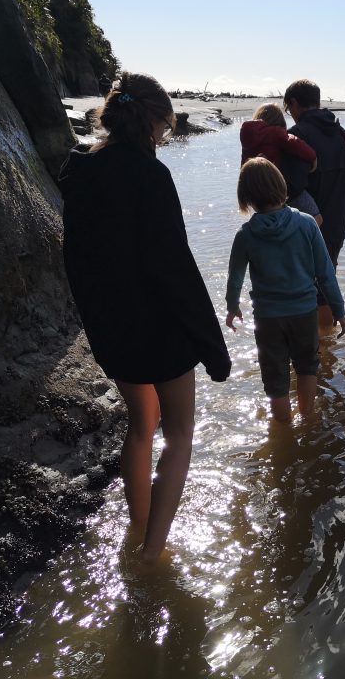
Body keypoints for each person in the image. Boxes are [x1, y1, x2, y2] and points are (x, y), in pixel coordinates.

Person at [58, 71, 231, 563]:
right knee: (178, 436)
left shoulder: (78, 171)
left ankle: (137, 529)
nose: (165, 135)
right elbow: (173, 268)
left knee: (139, 428)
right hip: (160, 329)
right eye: (166, 127)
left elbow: (77, 258)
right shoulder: (151, 177)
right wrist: (212, 349)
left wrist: (96, 322)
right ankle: (153, 553)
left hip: (112, 327)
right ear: (152, 122)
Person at [224, 157, 345, 423]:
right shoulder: (306, 224)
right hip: (304, 312)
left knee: (275, 381)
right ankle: (307, 421)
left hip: (268, 318)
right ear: (281, 186)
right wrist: (338, 309)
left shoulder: (245, 235)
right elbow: (325, 274)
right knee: (307, 370)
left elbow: (235, 278)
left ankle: (284, 433)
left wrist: (232, 307)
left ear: (246, 196)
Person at [283, 79, 345, 329]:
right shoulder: (342, 134)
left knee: (313, 289)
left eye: (289, 109)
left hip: (308, 226)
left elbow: (291, 188)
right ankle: (328, 351)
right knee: (326, 280)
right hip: (337, 223)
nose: (291, 114)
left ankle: (324, 348)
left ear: (294, 103)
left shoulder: (296, 136)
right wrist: (337, 183)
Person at [239, 103, 322, 225]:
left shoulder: (247, 137)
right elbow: (295, 143)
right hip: (274, 187)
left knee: (269, 220)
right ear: (278, 121)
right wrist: (313, 157)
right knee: (316, 218)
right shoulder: (274, 133)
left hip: (254, 189)